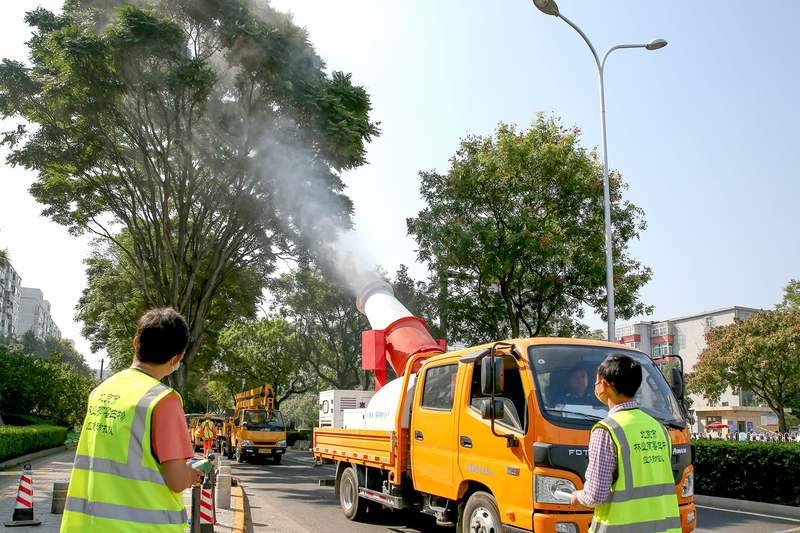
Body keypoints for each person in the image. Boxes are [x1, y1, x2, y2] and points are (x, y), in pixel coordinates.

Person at [61, 308, 200, 532]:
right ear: (177, 358)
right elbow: (177, 481)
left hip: (87, 525)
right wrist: (192, 472)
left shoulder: (101, 391)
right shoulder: (163, 400)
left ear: (136, 343)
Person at [570, 354, 680, 533]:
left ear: (605, 385)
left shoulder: (606, 430)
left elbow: (595, 495)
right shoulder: (659, 428)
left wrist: (576, 497)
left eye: (596, 381)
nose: (595, 386)